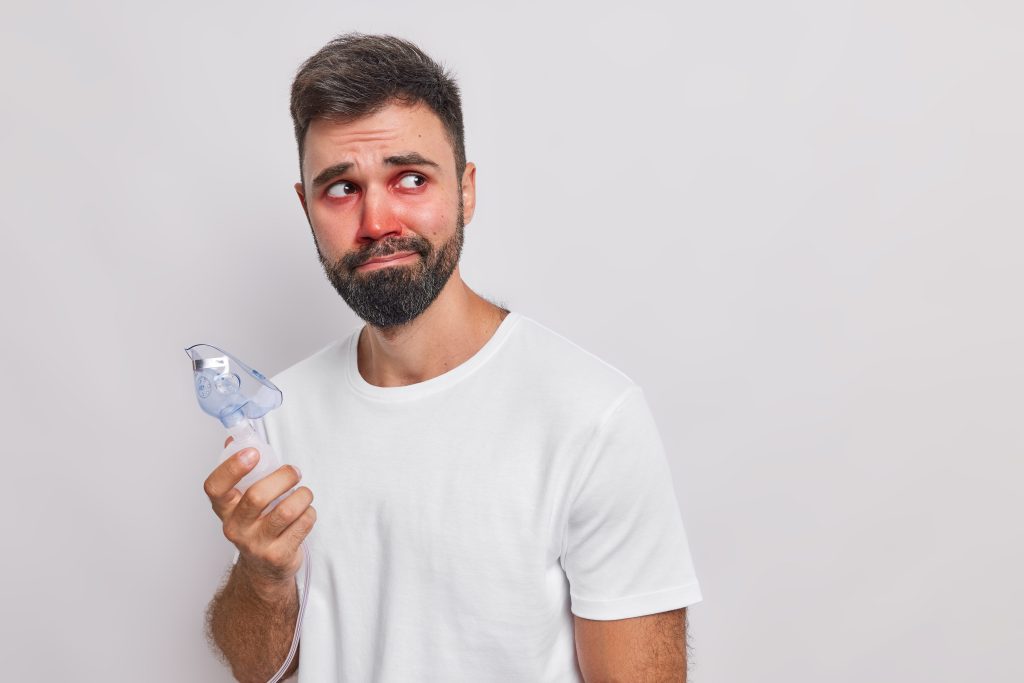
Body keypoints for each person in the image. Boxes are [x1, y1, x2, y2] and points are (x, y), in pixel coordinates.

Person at [202, 32, 702, 682]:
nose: (376, 221)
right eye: (341, 188)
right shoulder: (277, 416)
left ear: (466, 190)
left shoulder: (589, 417)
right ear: (307, 207)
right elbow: (260, 667)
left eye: (410, 179)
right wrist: (262, 576)